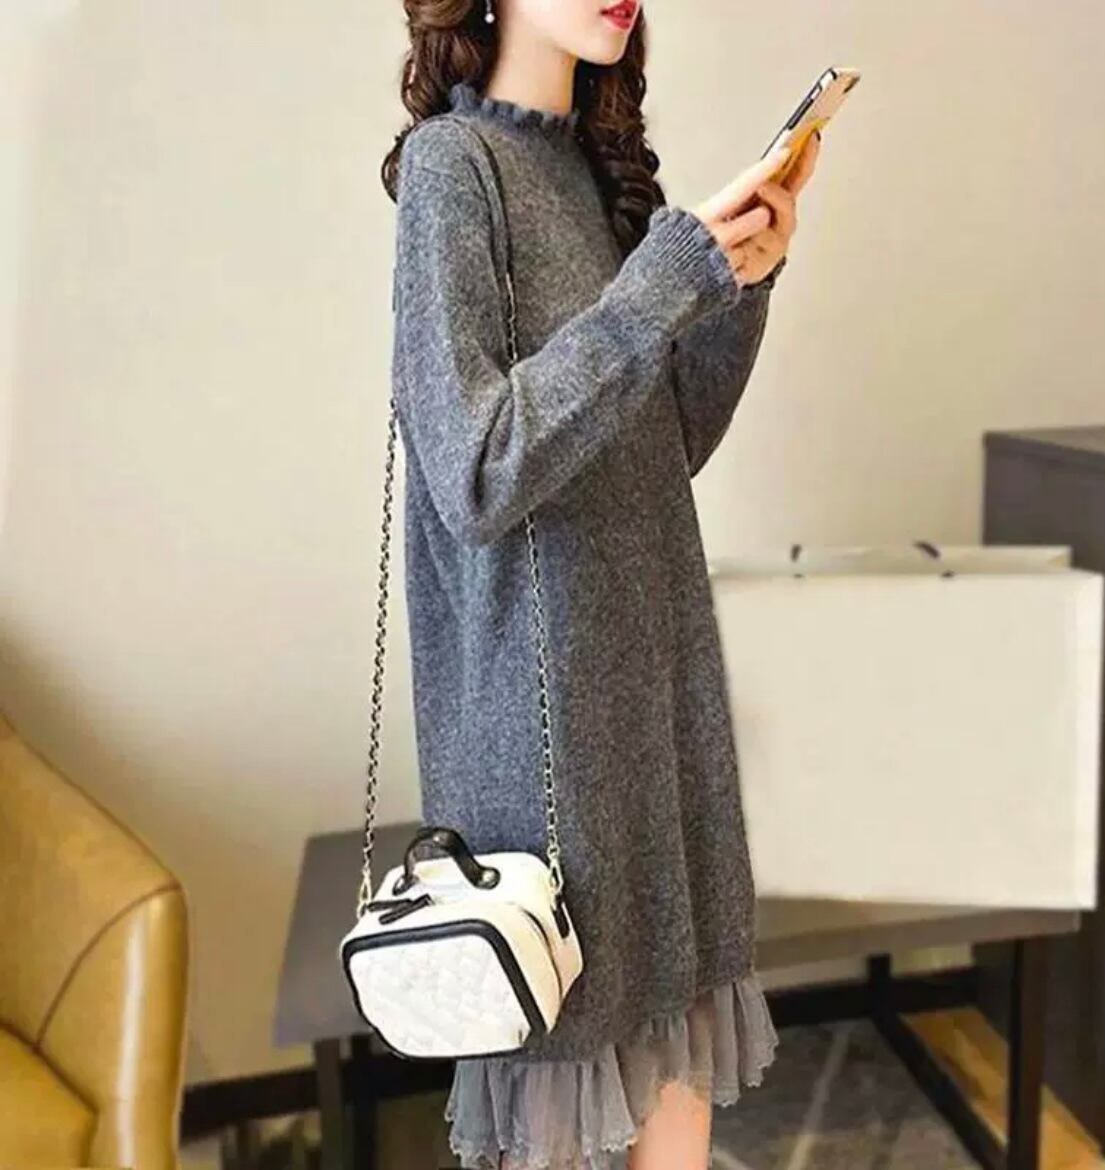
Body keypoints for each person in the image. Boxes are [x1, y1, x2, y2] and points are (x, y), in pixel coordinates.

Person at [382, 0, 820, 1166]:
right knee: (566, 1091)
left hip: (653, 686)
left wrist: (737, 289)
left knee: (677, 1052)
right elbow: (476, 468)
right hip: (543, 738)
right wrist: (663, 280)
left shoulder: (592, 174)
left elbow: (656, 447)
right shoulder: (453, 168)